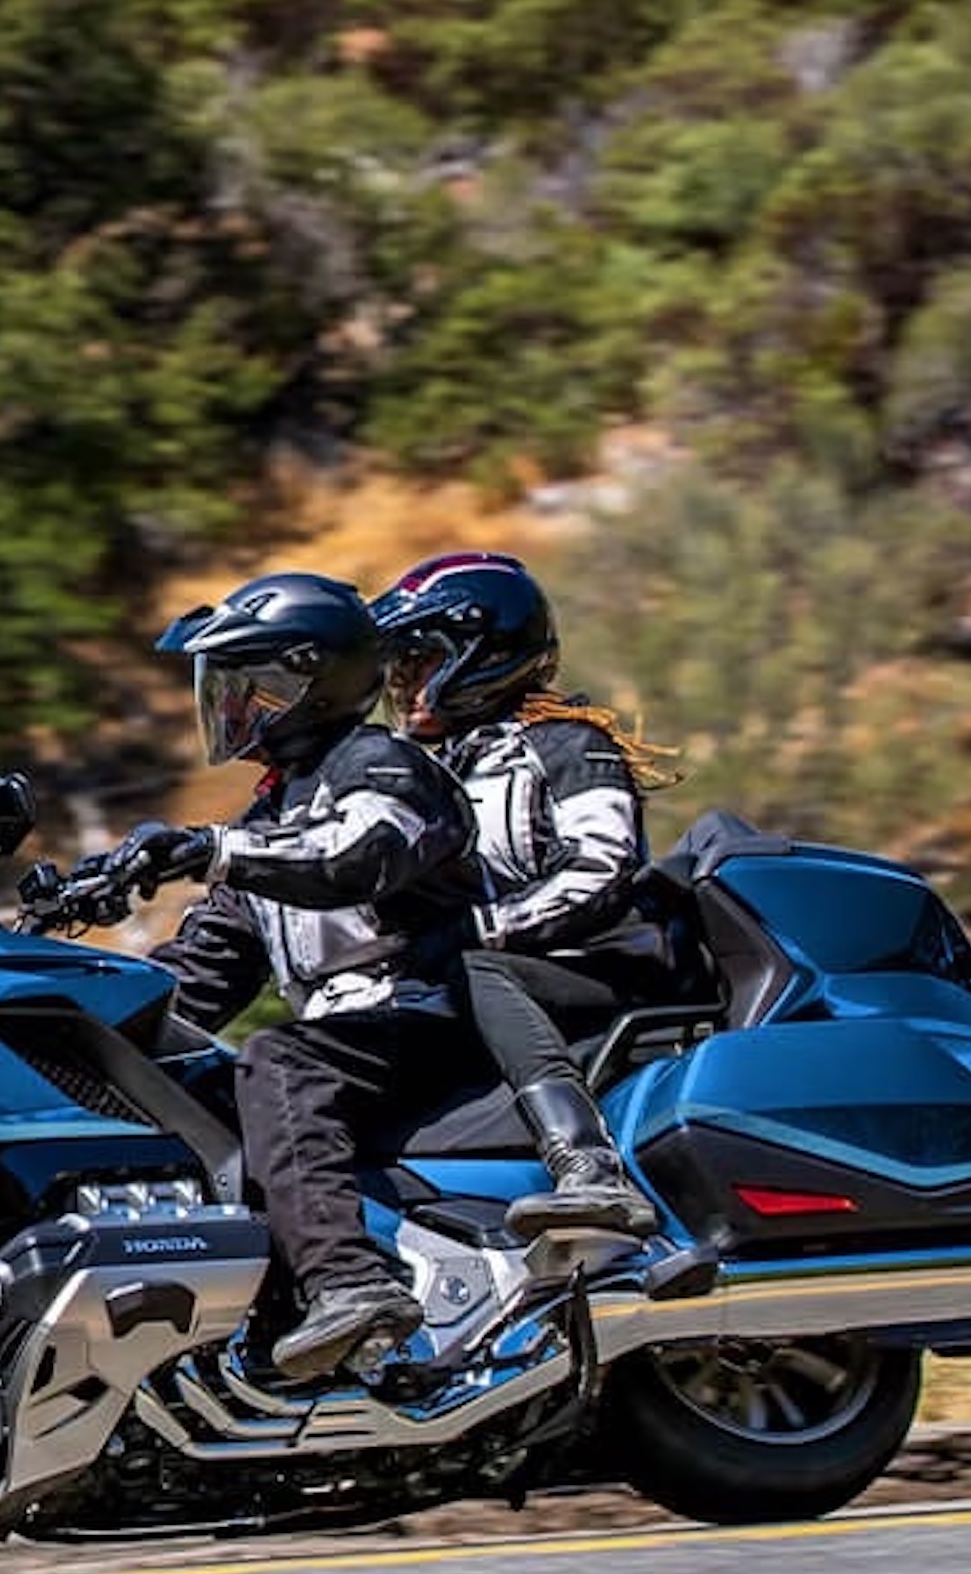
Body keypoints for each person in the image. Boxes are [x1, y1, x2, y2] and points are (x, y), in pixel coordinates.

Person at [93, 570, 486, 1380]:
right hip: (356, 1039)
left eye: (251, 685)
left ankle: (352, 1284)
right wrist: (76, 1010)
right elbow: (196, 976)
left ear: (313, 678)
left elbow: (356, 856)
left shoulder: (386, 764)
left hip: (433, 1015)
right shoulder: (271, 815)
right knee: (179, 1086)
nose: (231, 707)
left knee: (275, 1060)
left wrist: (215, 851)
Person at [370, 550, 677, 1240]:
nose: (404, 683)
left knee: (473, 968)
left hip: (604, 965)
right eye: (399, 668)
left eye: (419, 662)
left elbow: (603, 868)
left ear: (484, 655)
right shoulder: (428, 768)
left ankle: (590, 1167)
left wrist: (483, 928)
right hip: (507, 975)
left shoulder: (567, 743)